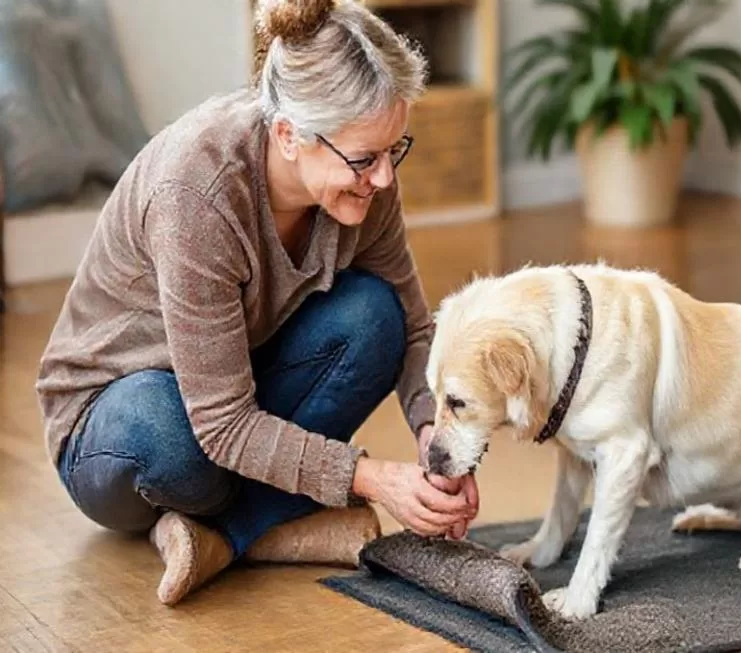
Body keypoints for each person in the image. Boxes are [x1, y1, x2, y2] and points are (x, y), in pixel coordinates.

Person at [35, 0, 478, 607]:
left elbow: (414, 322)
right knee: (177, 442)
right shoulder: (197, 194)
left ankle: (227, 537)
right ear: (290, 136)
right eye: (364, 160)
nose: (383, 180)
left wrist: (436, 436)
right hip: (115, 422)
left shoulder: (363, 181)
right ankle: (269, 523)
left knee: (380, 317)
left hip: (230, 394)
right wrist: (372, 479)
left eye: (393, 151)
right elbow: (219, 424)